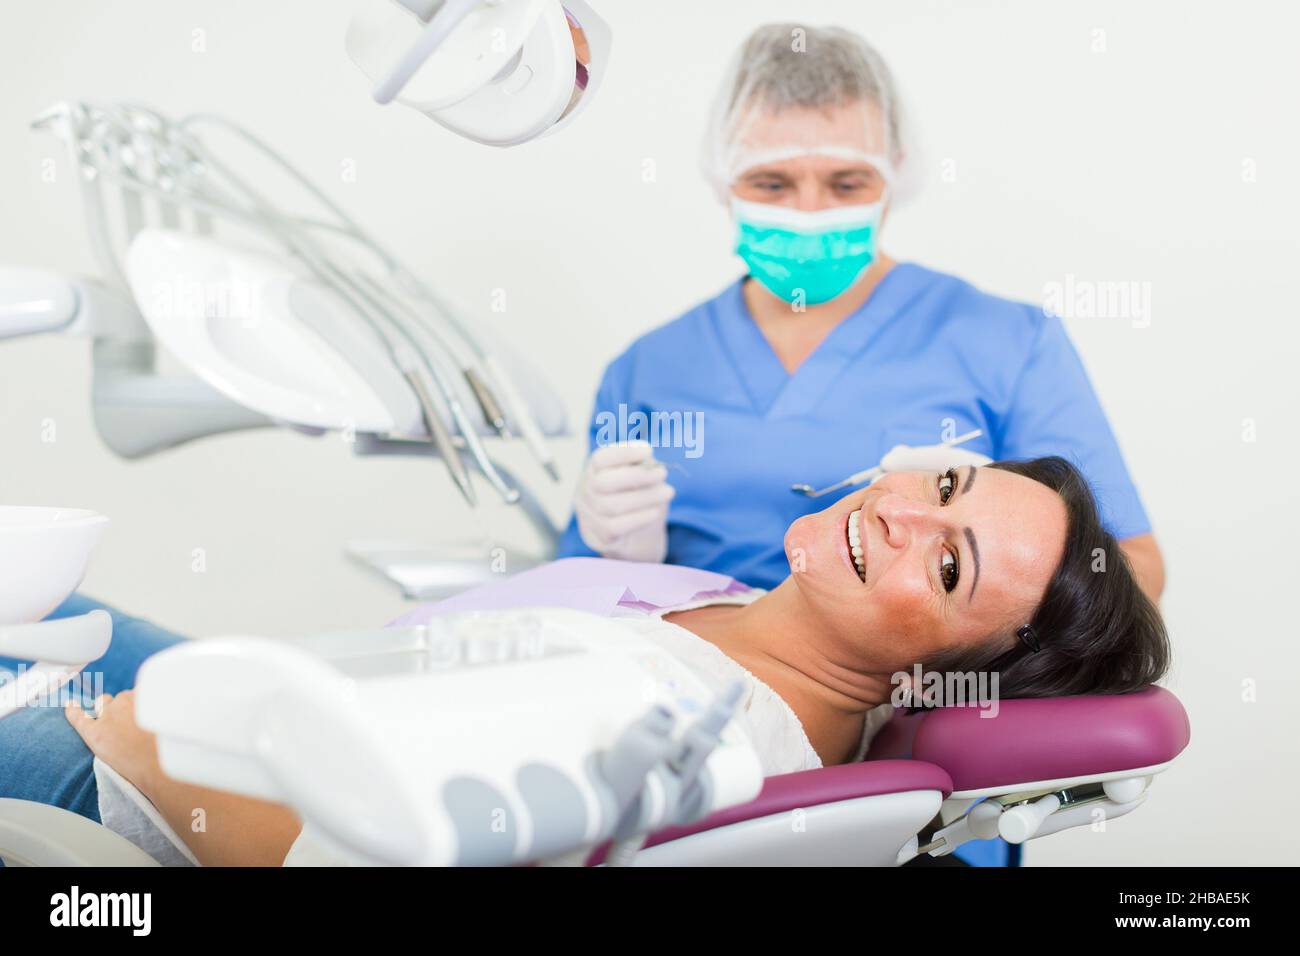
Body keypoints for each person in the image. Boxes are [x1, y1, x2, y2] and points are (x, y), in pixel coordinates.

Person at [556, 25, 1165, 863]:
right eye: (772, 181)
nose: (808, 212)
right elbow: (568, 587)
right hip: (671, 725)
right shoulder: (649, 368)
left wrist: (976, 525)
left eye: (845, 181)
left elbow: (1109, 591)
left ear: (894, 177)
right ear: (723, 180)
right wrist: (611, 544)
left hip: (878, 794)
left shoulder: (1000, 339)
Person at [0, 457, 1168, 866]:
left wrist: (102, 728)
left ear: (943, 669)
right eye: (948, 483)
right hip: (225, 691)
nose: (906, 513)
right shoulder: (736, 618)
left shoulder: (682, 721)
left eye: (951, 567)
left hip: (120, 781)